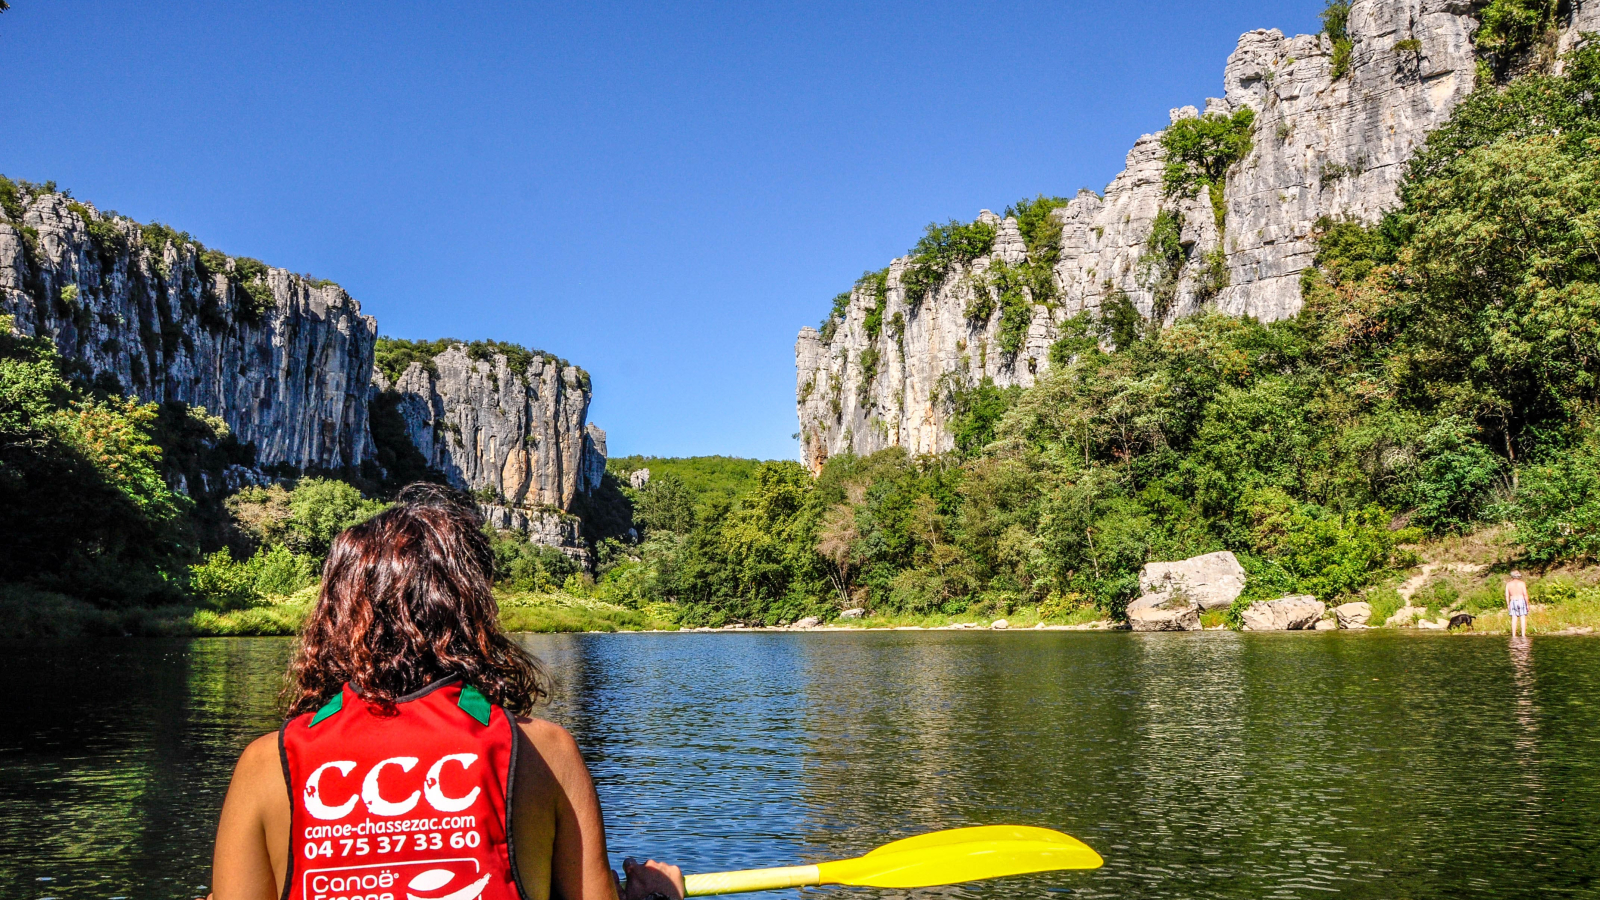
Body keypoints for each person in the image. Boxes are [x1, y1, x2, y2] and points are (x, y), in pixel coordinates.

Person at [209, 485, 684, 900]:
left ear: (336, 615)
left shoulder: (266, 763)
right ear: (470, 613)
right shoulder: (548, 753)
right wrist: (661, 898)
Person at [1506, 570, 1530, 639]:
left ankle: (1514, 635)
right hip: (1521, 600)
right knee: (1522, 618)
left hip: (1513, 601)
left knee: (1514, 619)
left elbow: (1507, 595)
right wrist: (1527, 604)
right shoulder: (1522, 583)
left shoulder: (1508, 584)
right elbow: (1525, 594)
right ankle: (1523, 635)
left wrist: (1508, 604)